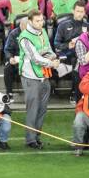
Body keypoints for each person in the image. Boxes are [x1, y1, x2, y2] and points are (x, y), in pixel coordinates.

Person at [18, 10, 60, 148]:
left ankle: (36, 136)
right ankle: (30, 140)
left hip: (44, 76)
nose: (41, 23)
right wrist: (51, 63)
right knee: (33, 109)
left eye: (41, 20)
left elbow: (47, 48)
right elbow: (35, 58)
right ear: (30, 21)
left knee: (42, 109)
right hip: (31, 78)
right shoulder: (24, 37)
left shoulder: (42, 32)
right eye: (37, 21)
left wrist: (53, 56)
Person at [54, 1, 89, 104]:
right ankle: (75, 92)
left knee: (80, 60)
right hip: (68, 55)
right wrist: (67, 45)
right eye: (77, 11)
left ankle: (84, 92)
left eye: (81, 11)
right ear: (73, 11)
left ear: (84, 13)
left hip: (85, 55)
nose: (79, 13)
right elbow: (56, 44)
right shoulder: (63, 25)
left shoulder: (88, 26)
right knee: (76, 60)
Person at [2, 18, 29, 103]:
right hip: (17, 60)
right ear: (20, 25)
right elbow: (7, 49)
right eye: (24, 26)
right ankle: (9, 93)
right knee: (7, 68)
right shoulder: (13, 34)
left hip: (30, 60)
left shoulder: (34, 33)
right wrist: (10, 58)